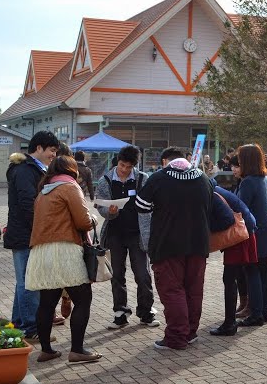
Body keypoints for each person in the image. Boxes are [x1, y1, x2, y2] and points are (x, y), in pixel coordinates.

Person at [136, 147, 216, 350]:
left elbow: (141, 205)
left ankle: (176, 337)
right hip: (198, 244)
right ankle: (190, 333)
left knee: (173, 291)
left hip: (167, 244)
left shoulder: (159, 178)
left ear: (165, 161)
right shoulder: (203, 178)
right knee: (194, 290)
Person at [25, 156, 100, 364]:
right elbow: (83, 221)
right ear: (71, 169)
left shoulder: (43, 191)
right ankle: (77, 350)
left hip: (41, 252)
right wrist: (93, 218)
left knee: (47, 303)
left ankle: (46, 350)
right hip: (65, 250)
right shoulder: (69, 187)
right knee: (83, 299)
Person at [95, 145, 159, 330]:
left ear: (134, 166)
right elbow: (101, 206)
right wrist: (110, 211)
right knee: (117, 275)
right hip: (115, 234)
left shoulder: (142, 179)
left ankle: (146, 312)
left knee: (143, 274)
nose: (124, 170)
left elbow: (151, 203)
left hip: (137, 234)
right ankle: (120, 313)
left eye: (128, 167)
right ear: (117, 161)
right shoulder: (106, 180)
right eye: (122, 165)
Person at [4, 130, 60, 339]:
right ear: (39, 148)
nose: (53, 155)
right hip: (26, 234)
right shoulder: (26, 170)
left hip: (25, 233)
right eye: (51, 150)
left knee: (24, 282)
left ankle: (19, 323)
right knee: (29, 283)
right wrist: (42, 228)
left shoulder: (31, 168)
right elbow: (29, 204)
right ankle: (31, 328)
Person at [235, 144, 267, 327]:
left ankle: (256, 314)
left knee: (252, 273)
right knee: (265, 274)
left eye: (239, 159)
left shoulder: (248, 182)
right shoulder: (263, 178)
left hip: (256, 235)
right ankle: (265, 311)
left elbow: (239, 206)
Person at [208, 179, 257, 337]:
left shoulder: (212, 195)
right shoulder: (214, 189)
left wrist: (208, 230)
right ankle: (235, 316)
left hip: (239, 236)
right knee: (236, 275)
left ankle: (229, 324)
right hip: (245, 232)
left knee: (229, 278)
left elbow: (227, 220)